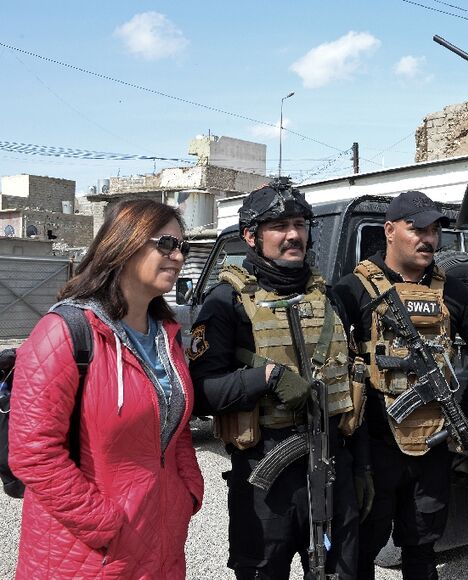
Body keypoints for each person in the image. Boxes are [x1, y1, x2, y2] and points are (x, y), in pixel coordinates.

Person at [9, 199, 204, 578]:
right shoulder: (66, 332)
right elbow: (33, 453)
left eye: (184, 246)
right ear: (124, 243)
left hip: (159, 543)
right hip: (89, 554)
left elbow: (175, 426)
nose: (178, 256)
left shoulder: (167, 334)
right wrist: (105, 524)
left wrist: (186, 491)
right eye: (166, 244)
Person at [188, 181, 369, 579]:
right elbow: (199, 394)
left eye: (300, 224)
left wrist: (363, 469)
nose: (293, 235)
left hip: (332, 461)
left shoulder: (331, 298)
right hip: (264, 471)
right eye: (279, 226)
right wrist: (265, 378)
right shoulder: (225, 303)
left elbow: (355, 375)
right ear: (251, 236)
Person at [332, 190, 468, 580]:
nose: (428, 238)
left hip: (431, 447)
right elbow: (329, 360)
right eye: (417, 228)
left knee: (422, 548)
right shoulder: (353, 289)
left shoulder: (451, 290)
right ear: (389, 230)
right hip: (372, 448)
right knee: (363, 549)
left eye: (435, 230)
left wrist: (462, 411)